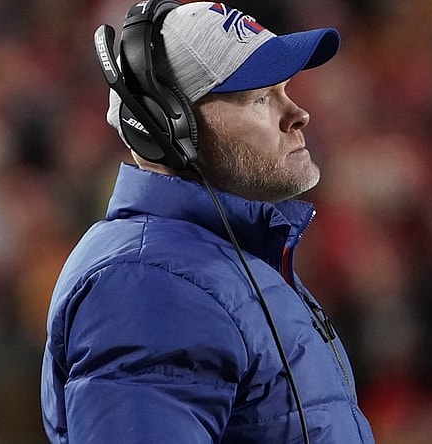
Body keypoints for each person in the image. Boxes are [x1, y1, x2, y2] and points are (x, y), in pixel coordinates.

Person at [40, 1, 375, 443]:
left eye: (285, 90)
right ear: (173, 128)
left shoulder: (216, 261)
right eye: (259, 98)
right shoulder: (151, 282)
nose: (297, 114)